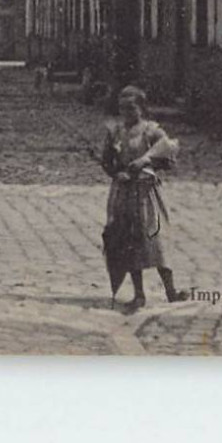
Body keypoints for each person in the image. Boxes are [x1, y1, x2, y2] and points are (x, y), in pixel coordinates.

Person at [97, 85, 181, 312]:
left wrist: (146, 161)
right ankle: (139, 294)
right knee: (128, 242)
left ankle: (171, 290)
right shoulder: (115, 133)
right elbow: (107, 162)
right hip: (123, 193)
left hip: (146, 193)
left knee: (156, 239)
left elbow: (169, 157)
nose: (126, 112)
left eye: (131, 107)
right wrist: (117, 173)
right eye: (122, 108)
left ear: (141, 108)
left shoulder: (152, 131)